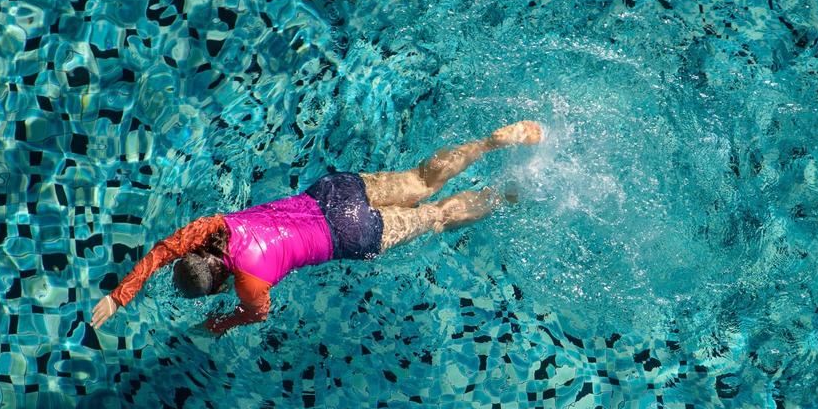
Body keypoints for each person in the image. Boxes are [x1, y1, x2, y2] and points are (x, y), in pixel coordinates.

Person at [90, 121, 543, 334]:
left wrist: (221, 322)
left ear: (218, 284)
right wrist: (118, 295)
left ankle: (503, 196)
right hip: (332, 194)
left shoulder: (250, 283)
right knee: (421, 180)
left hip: (349, 235)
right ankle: (489, 142)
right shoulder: (214, 226)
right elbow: (160, 253)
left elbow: (258, 313)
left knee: (437, 215)